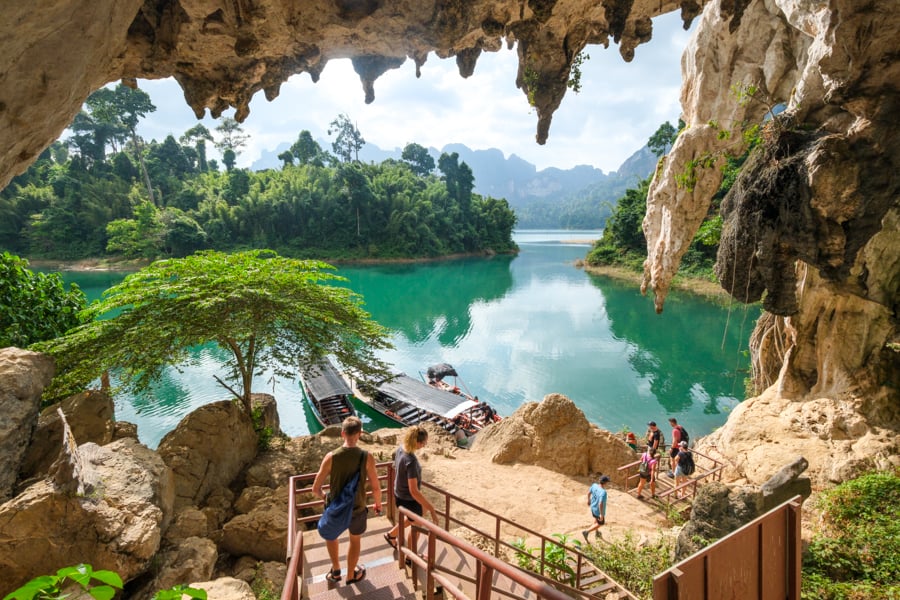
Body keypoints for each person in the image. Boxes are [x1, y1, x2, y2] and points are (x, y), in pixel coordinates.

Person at [312, 416, 383, 585]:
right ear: (359, 434)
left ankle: (336, 571)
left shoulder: (331, 457)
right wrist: (378, 503)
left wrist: (325, 497)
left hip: (335, 508)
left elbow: (315, 489)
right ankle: (351, 575)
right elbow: (375, 487)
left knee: (331, 536)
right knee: (355, 540)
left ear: (342, 433)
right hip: (357, 509)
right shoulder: (367, 457)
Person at [383, 426, 438, 551]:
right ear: (417, 442)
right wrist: (432, 509)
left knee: (416, 515)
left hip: (399, 494)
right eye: (423, 443)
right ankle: (410, 557)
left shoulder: (401, 449)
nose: (424, 445)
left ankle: (391, 535)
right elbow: (414, 491)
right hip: (407, 499)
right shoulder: (411, 461)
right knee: (417, 527)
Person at [582, 474, 610, 542]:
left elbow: (589, 493)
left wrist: (588, 501)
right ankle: (586, 532)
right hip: (598, 510)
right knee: (601, 523)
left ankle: (597, 532)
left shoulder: (594, 485)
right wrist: (601, 514)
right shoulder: (603, 492)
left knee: (596, 519)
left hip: (593, 507)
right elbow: (600, 503)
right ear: (605, 483)